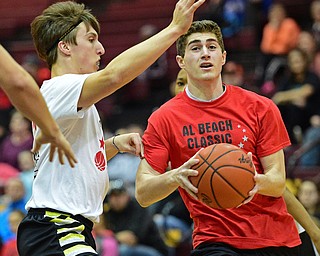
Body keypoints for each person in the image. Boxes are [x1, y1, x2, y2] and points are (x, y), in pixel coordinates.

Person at [16, 1, 205, 255]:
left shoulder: (71, 100)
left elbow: (76, 163)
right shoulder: (61, 88)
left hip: (63, 230)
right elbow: (114, 76)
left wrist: (113, 145)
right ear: (65, 46)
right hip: (57, 228)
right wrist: (174, 29)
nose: (101, 49)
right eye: (91, 39)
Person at [135, 20, 301, 255]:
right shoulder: (164, 118)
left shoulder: (260, 107)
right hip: (214, 240)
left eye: (211, 47)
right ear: (181, 62)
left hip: (274, 237)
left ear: (222, 57)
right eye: (195, 48)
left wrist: (252, 182)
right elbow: (143, 192)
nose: (205, 53)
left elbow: (277, 182)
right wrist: (175, 177)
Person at [0, 45, 77, 167]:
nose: (28, 69)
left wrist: (52, 130)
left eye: (31, 67)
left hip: (42, 124)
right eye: (26, 66)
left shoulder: (46, 83)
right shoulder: (16, 86)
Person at [104, 179, 168, 256]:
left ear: (127, 196)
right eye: (112, 196)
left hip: (152, 249)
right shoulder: (108, 210)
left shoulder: (138, 207)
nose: (116, 200)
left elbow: (132, 238)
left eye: (119, 195)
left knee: (123, 250)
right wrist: (116, 236)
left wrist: (112, 237)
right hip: (126, 246)